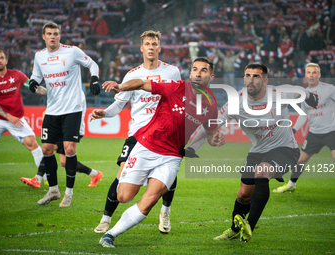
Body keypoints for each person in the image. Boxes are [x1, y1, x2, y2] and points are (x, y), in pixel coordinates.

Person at [98, 57, 223, 248]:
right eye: (195, 69)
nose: (198, 73)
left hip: (172, 156)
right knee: (123, 196)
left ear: (211, 76)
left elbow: (211, 133)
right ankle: (145, 177)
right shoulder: (176, 86)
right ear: (190, 74)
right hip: (147, 145)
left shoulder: (211, 105)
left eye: (204, 70)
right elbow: (141, 82)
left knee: (149, 200)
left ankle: (110, 235)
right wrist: (122, 87)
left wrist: (216, 139)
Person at [186, 62, 319, 242]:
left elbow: (302, 92)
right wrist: (193, 147)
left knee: (262, 172)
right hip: (258, 151)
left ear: (265, 81)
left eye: (256, 76)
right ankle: (234, 229)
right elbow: (211, 124)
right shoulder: (236, 102)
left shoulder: (280, 93)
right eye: (248, 75)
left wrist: (311, 98)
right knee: (243, 194)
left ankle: (249, 225)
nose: (251, 80)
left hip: (286, 149)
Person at [90, 30, 181, 234]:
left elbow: (177, 100)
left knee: (167, 174)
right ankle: (106, 218)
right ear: (141, 48)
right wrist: (103, 113)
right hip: (137, 135)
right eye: (147, 44)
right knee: (122, 174)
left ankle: (165, 212)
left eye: (154, 44)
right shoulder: (132, 75)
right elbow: (118, 106)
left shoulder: (172, 72)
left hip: (165, 133)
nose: (151, 47)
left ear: (159, 47)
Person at [29, 21, 101, 207]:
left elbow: (93, 64)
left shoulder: (72, 51)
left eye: (55, 33)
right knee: (46, 150)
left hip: (73, 108)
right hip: (52, 110)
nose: (52, 36)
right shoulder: (39, 56)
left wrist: (94, 79)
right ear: (43, 37)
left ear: (60, 36)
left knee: (69, 149)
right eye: (49, 34)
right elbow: (36, 76)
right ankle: (53, 190)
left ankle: (68, 194)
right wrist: (33, 83)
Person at [273, 62, 335, 193]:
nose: (311, 75)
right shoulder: (304, 93)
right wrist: (294, 129)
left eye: (314, 72)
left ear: (319, 75)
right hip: (315, 133)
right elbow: (304, 114)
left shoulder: (329, 89)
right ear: (305, 75)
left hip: (332, 131)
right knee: (300, 160)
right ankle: (290, 185)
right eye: (309, 72)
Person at [20, 91, 103, 189]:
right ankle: (95, 174)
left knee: (49, 147)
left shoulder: (76, 93)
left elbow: (71, 113)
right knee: (64, 162)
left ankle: (37, 178)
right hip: (64, 128)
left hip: (73, 129)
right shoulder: (64, 90)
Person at [0, 49, 45, 177]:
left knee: (32, 143)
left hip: (17, 119)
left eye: (1, 58)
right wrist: (7, 116)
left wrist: (50, 90)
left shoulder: (17, 74)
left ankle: (45, 178)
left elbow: (32, 87)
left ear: (6, 61)